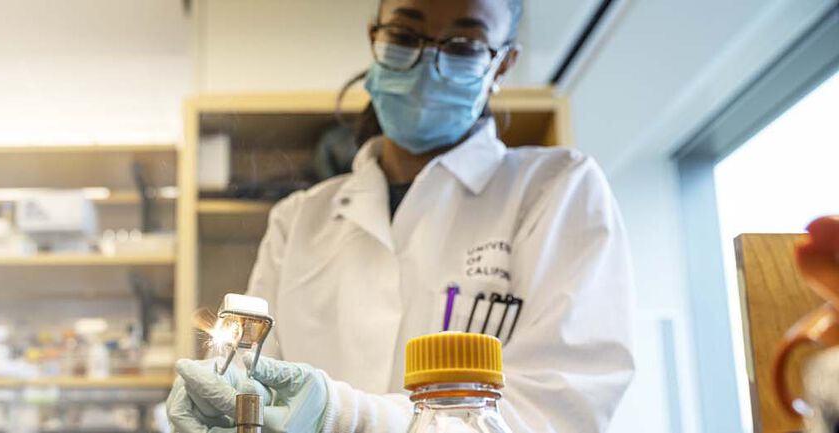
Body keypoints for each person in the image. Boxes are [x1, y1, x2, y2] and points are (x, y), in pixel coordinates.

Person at [167, 0, 636, 432]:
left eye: (463, 45)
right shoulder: (299, 219)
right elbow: (255, 377)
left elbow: (554, 411)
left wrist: (346, 415)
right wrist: (224, 397)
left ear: (503, 64)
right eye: (405, 36)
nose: (428, 62)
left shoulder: (557, 191)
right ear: (376, 38)